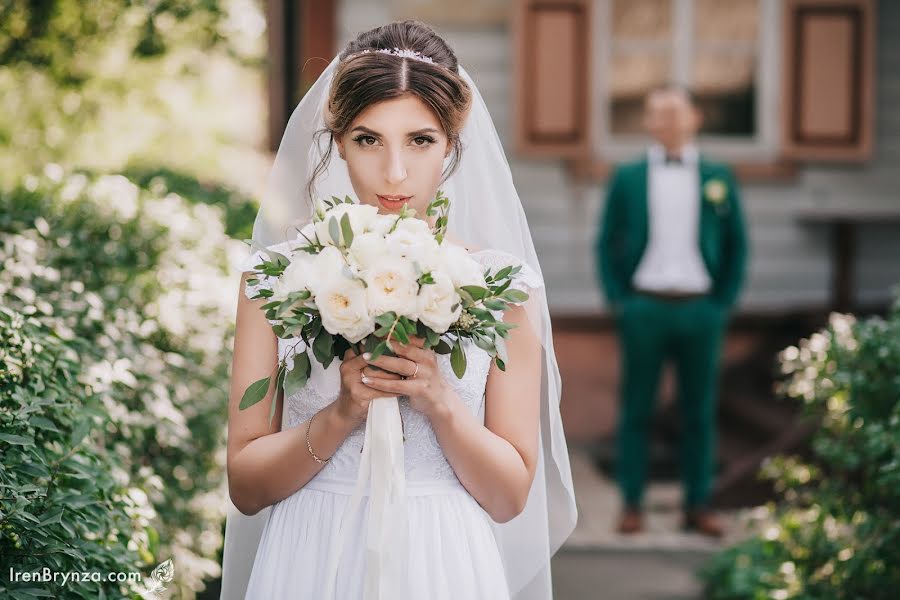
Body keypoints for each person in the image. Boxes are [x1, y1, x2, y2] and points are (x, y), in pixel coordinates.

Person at [220, 20, 577, 600]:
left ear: (452, 145)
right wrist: (340, 413)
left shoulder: (501, 285)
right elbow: (246, 485)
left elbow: (511, 496)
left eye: (420, 140)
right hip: (312, 553)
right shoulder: (277, 279)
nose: (394, 173)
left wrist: (439, 400)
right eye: (368, 139)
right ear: (337, 141)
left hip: (445, 557)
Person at [595, 85, 749, 537]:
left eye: (675, 113)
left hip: (701, 309)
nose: (667, 122)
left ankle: (698, 503)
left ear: (694, 118)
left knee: (699, 411)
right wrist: (619, 300)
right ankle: (631, 503)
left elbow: (738, 242)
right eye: (658, 115)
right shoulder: (628, 177)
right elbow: (607, 242)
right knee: (636, 409)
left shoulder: (719, 175)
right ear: (648, 123)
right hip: (644, 307)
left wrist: (723, 302)